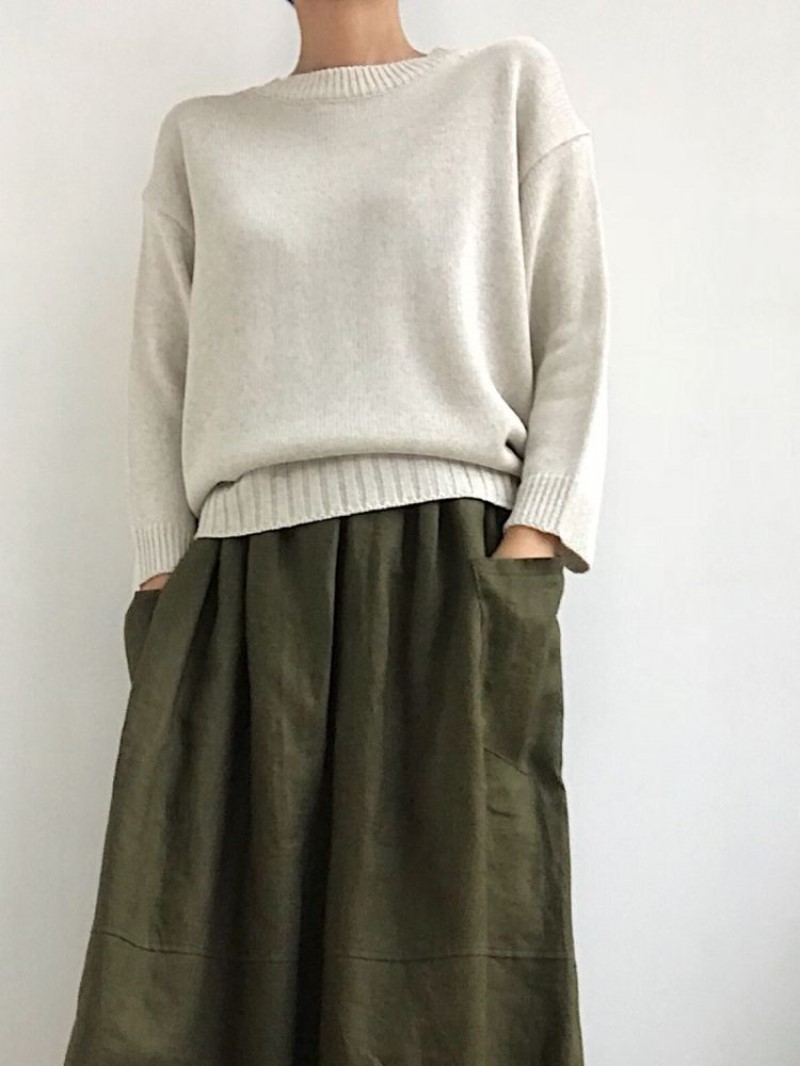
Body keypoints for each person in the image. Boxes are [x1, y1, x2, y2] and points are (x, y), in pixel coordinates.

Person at [63, 0, 609, 1061]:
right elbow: (158, 377)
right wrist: (162, 583)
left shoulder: (505, 88)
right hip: (237, 593)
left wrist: (535, 539)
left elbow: (576, 329)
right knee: (191, 984)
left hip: (447, 578)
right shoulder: (203, 138)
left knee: (443, 988)